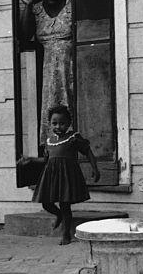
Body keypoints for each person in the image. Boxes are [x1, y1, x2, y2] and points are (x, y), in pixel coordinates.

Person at [32, 105, 100, 245]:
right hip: (51, 176)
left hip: (66, 176)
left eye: (62, 123)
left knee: (65, 205)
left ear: (68, 124)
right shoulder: (49, 141)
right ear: (50, 124)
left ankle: (66, 234)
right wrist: (29, 160)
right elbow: (46, 160)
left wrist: (95, 168)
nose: (58, 126)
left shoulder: (73, 137)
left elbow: (87, 151)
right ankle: (58, 215)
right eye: (54, 123)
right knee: (46, 203)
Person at [19, 0, 74, 146]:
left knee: (70, 100)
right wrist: (27, 6)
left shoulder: (71, 5)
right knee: (51, 103)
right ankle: (52, 145)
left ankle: (72, 141)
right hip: (48, 67)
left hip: (70, 64)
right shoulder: (36, 10)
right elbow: (25, 35)